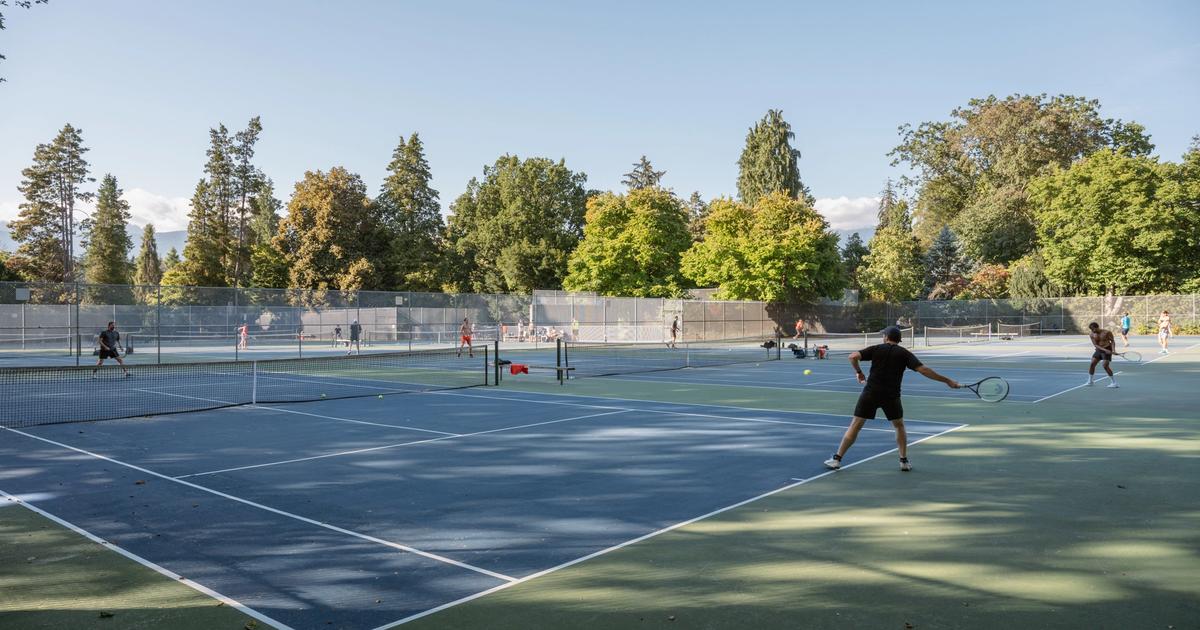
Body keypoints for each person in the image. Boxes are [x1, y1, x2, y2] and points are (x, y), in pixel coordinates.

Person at [824, 326, 959, 472]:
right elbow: (924, 370)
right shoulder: (904, 353)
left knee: (855, 425)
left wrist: (859, 372)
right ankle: (903, 461)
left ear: (886, 337)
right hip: (891, 395)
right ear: (898, 340)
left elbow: (852, 356)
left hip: (871, 393)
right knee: (899, 426)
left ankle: (837, 460)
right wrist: (947, 381)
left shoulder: (876, 349)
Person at [1086, 322, 1119, 388]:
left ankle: (1114, 383)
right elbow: (1095, 345)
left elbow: (1112, 341)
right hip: (1099, 349)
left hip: (1107, 347)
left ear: (1097, 327)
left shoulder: (1107, 332)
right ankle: (1090, 381)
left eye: (1093, 329)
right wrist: (1105, 350)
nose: (1092, 331)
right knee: (1092, 363)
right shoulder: (1092, 334)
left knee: (1105, 365)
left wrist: (1113, 350)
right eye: (1091, 329)